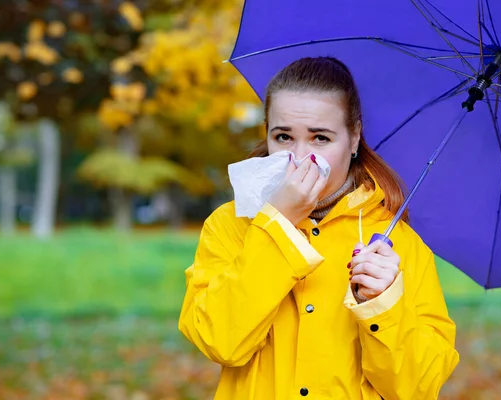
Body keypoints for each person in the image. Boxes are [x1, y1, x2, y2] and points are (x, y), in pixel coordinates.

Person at [179, 57, 459, 400]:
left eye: (320, 139)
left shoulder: (395, 242)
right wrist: (277, 224)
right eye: (283, 136)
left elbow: (418, 388)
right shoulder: (230, 224)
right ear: (266, 133)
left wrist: (383, 306)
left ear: (354, 138)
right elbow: (219, 341)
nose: (299, 157)